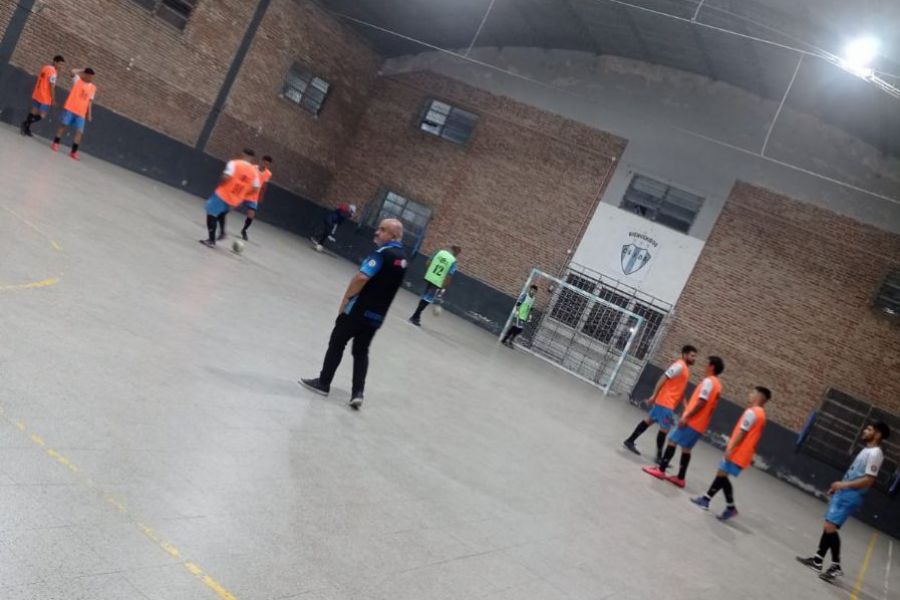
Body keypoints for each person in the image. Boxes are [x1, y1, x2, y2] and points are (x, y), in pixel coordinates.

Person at [300, 219, 407, 410]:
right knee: (361, 351)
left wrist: (346, 299)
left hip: (357, 310)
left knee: (337, 343)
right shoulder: (403, 260)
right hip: (376, 316)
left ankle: (323, 383)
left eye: (382, 230)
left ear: (393, 235)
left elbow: (362, 276)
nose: (377, 233)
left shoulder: (382, 254)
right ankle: (358, 393)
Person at [796, 421, 890, 583]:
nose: (865, 431)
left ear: (878, 434)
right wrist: (839, 487)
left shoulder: (875, 453)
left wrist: (843, 485)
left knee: (830, 527)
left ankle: (836, 566)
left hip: (851, 495)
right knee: (828, 526)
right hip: (844, 492)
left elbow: (868, 480)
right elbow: (855, 473)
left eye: (869, 429)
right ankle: (818, 561)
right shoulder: (867, 450)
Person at [642, 356, 724, 487]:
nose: (705, 366)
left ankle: (661, 470)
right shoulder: (718, 385)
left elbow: (701, 403)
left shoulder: (709, 382)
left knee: (672, 441)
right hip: (701, 424)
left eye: (707, 364)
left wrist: (687, 417)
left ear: (712, 367)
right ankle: (680, 478)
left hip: (692, 422)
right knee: (686, 449)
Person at [691, 386, 771, 521]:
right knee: (722, 475)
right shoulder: (762, 415)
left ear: (759, 396)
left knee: (722, 475)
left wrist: (730, 448)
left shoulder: (752, 413)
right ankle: (726, 506)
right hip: (743, 452)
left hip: (737, 452)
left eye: (752, 393)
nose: (749, 394)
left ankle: (711, 501)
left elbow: (743, 432)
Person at [623, 345, 698, 460]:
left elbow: (680, 389)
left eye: (695, 356)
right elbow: (663, 377)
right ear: (685, 354)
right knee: (665, 429)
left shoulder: (685, 370)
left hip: (666, 403)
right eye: (692, 356)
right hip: (665, 403)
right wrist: (654, 395)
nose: (694, 358)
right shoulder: (679, 366)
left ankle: (630, 440)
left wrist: (685, 405)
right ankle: (659, 457)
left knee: (648, 421)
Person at [200, 149, 259, 248]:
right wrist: (243, 194)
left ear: (242, 154)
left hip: (223, 194)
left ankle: (211, 240)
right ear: (252, 158)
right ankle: (222, 233)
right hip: (236, 199)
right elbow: (256, 188)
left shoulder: (234, 163)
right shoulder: (254, 172)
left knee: (211, 213)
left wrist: (221, 184)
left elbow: (226, 177)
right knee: (221, 213)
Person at [409, 245, 461, 327]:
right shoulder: (453, 261)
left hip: (429, 276)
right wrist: (444, 287)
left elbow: (427, 263)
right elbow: (449, 276)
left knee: (425, 296)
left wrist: (430, 272)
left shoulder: (439, 252)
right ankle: (416, 316)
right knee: (428, 298)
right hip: (438, 281)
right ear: (457, 252)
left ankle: (416, 315)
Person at [51, 67, 96, 160]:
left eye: (92, 76)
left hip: (81, 113)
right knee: (63, 126)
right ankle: (55, 143)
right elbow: (72, 71)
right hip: (70, 109)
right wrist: (82, 70)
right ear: (85, 75)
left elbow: (90, 102)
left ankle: (74, 152)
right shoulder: (77, 80)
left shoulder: (93, 88)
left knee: (79, 132)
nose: (91, 78)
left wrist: (89, 114)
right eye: (89, 75)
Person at [21, 55, 65, 137]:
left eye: (62, 65)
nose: (61, 66)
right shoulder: (53, 73)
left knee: (33, 111)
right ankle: (26, 123)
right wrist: (53, 99)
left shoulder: (45, 68)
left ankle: (26, 128)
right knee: (42, 115)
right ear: (55, 62)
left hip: (37, 93)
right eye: (60, 64)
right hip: (45, 97)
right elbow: (52, 87)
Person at [240, 155, 273, 241]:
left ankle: (244, 230)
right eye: (264, 162)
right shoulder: (253, 168)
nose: (265, 165)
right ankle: (218, 218)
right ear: (261, 161)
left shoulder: (268, 174)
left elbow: (264, 186)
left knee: (251, 215)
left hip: (254, 196)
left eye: (267, 164)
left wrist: (261, 196)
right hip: (244, 192)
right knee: (229, 206)